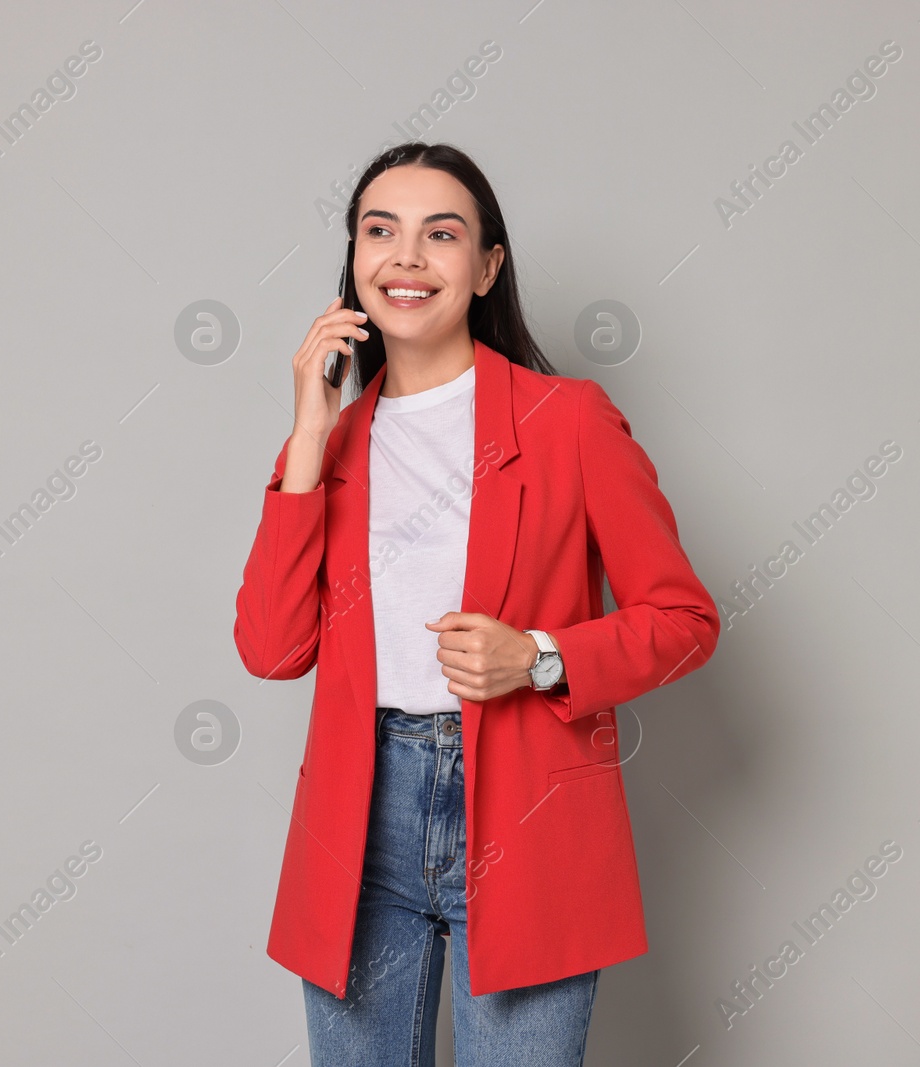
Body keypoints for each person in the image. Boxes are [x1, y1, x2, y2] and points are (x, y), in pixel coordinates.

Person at [233, 142, 721, 1065]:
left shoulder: (568, 419)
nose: (406, 257)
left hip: (531, 811)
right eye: (381, 231)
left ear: (487, 266)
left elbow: (684, 620)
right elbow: (269, 648)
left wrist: (539, 655)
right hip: (360, 814)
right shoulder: (329, 450)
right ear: (354, 265)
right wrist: (307, 427)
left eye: (441, 234)